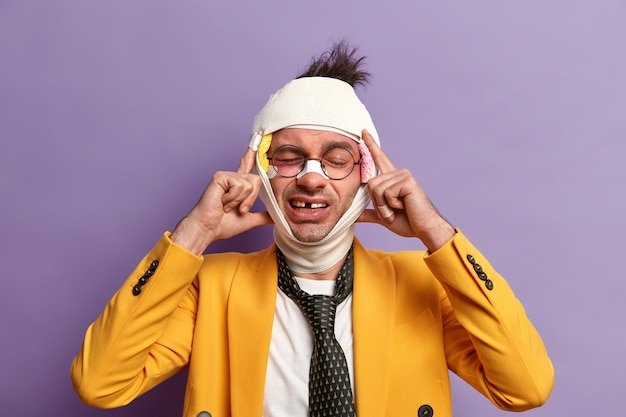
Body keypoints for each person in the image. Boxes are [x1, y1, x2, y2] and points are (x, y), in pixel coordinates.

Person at [71, 42, 554, 417]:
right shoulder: (211, 287)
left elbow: (526, 387)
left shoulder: (421, 282)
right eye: (288, 156)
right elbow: (100, 383)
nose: (311, 175)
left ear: (367, 176)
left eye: (337, 159)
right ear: (261, 170)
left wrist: (438, 236)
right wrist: (193, 234)